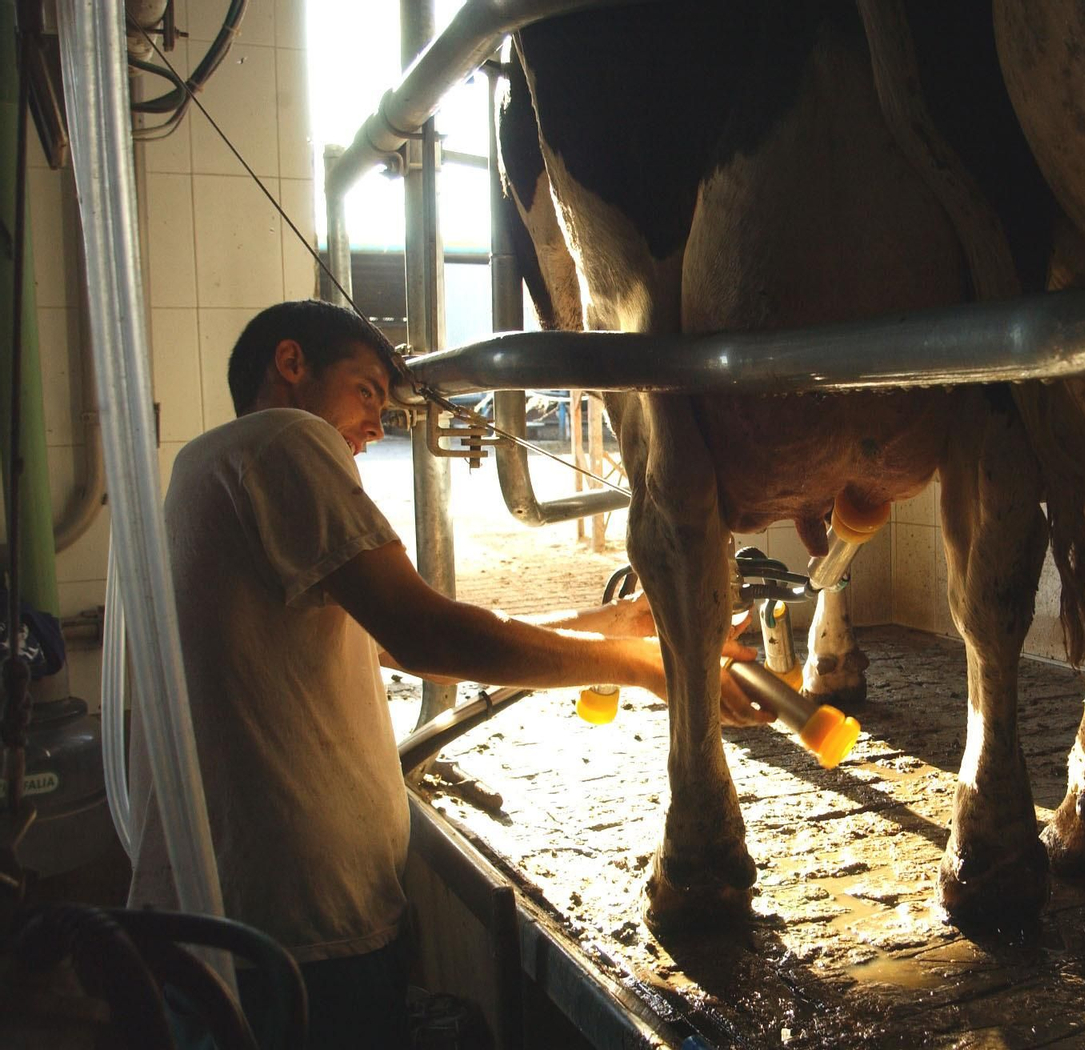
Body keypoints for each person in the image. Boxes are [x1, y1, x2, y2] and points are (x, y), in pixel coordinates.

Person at [127, 300, 770, 1048]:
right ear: (291, 362)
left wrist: (619, 626)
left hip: (248, 929)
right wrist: (645, 668)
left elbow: (402, 638)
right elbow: (428, 634)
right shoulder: (281, 442)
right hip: (287, 942)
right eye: (368, 389)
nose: (377, 423)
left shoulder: (213, 471)